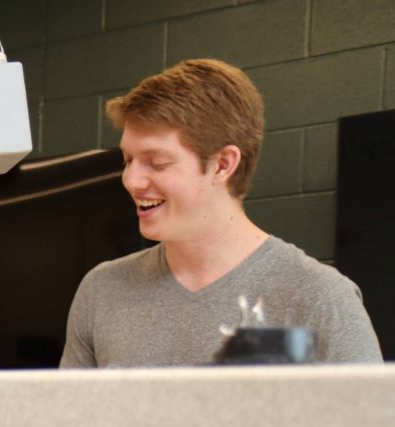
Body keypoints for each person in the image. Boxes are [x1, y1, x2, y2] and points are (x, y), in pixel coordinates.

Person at [60, 58, 381, 367]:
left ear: (223, 165)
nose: (131, 181)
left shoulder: (320, 298)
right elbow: (66, 420)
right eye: (128, 160)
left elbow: (371, 423)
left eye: (157, 162)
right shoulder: (101, 290)